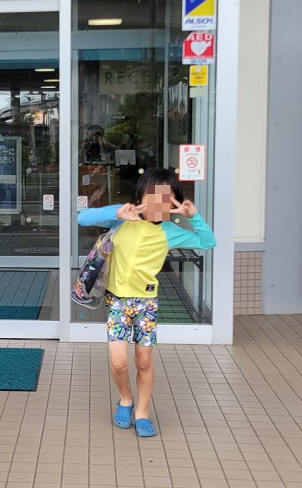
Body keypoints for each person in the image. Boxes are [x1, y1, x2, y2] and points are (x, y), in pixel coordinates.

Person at [77, 168, 215, 437]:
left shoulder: (169, 231)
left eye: (167, 197)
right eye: (152, 194)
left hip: (146, 303)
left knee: (143, 361)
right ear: (142, 195)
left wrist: (193, 216)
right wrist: (115, 212)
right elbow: (82, 217)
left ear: (173, 201)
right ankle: (125, 398)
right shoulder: (124, 218)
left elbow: (208, 243)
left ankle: (142, 411)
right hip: (117, 301)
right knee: (118, 363)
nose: (157, 202)